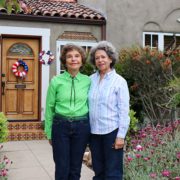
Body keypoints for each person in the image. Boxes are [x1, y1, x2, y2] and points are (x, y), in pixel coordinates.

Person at [44, 44, 91, 180]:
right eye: (69, 56)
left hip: (81, 127)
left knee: (76, 168)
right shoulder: (56, 81)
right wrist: (49, 132)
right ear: (64, 61)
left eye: (77, 56)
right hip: (60, 126)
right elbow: (50, 108)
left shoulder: (88, 81)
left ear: (82, 60)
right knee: (62, 167)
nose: (73, 59)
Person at [88, 41, 130, 180]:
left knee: (113, 173)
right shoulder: (90, 80)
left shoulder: (119, 82)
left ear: (110, 59)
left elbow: (124, 111)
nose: (100, 60)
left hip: (111, 132)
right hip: (94, 133)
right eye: (97, 58)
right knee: (98, 171)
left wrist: (121, 136)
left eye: (103, 57)